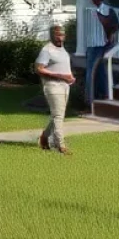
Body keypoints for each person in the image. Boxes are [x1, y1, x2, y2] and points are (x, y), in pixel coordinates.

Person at [35, 25, 75, 154]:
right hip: (53, 86)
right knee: (58, 116)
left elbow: (61, 66)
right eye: (57, 35)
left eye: (62, 34)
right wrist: (61, 76)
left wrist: (70, 77)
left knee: (57, 115)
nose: (60, 37)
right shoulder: (47, 50)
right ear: (52, 35)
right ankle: (60, 145)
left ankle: (44, 137)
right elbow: (39, 69)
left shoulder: (62, 49)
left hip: (64, 86)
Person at [85, 0, 119, 105]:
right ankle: (90, 99)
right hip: (92, 44)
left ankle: (106, 94)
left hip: (104, 44)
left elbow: (114, 25)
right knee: (92, 71)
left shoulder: (107, 10)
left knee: (103, 71)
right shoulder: (89, 9)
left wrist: (110, 36)